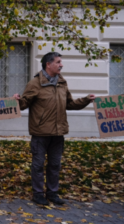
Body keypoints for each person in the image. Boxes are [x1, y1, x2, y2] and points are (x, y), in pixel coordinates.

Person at [13, 52, 95, 206]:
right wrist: (16, 100)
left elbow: (69, 104)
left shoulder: (62, 83)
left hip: (58, 133)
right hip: (40, 133)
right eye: (58, 62)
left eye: (60, 62)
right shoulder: (35, 83)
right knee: (38, 165)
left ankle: (52, 193)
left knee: (55, 164)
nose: (61, 65)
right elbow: (23, 104)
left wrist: (86, 100)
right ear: (48, 64)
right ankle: (38, 194)